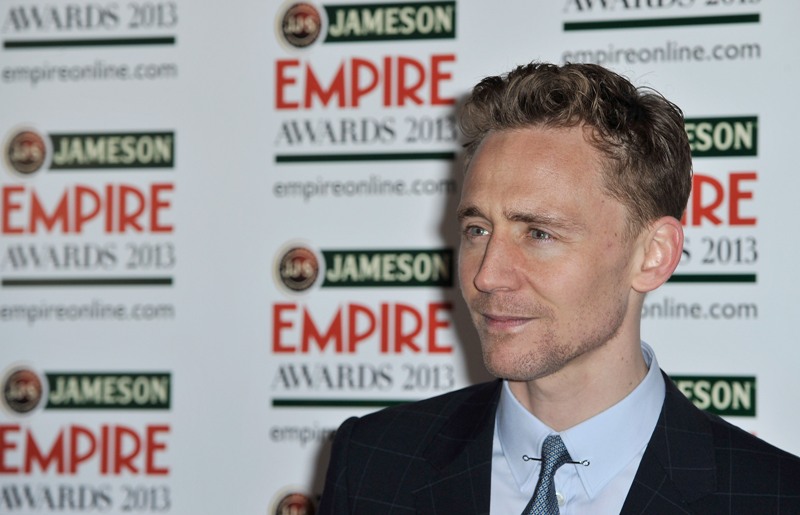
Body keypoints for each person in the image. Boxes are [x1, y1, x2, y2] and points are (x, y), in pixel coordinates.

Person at [317, 62, 800, 514]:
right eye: (477, 230)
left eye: (539, 234)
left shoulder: (775, 496)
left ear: (653, 255)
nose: (487, 275)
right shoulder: (373, 463)